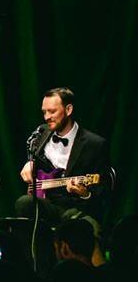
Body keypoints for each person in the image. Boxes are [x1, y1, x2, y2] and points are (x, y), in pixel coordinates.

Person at [16, 87, 110, 226]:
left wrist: (85, 193)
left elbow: (103, 188)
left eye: (52, 111)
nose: (47, 117)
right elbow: (34, 161)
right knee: (24, 203)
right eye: (44, 112)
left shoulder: (94, 144)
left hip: (77, 208)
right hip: (47, 204)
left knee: (72, 219)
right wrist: (29, 163)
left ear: (68, 110)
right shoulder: (41, 134)